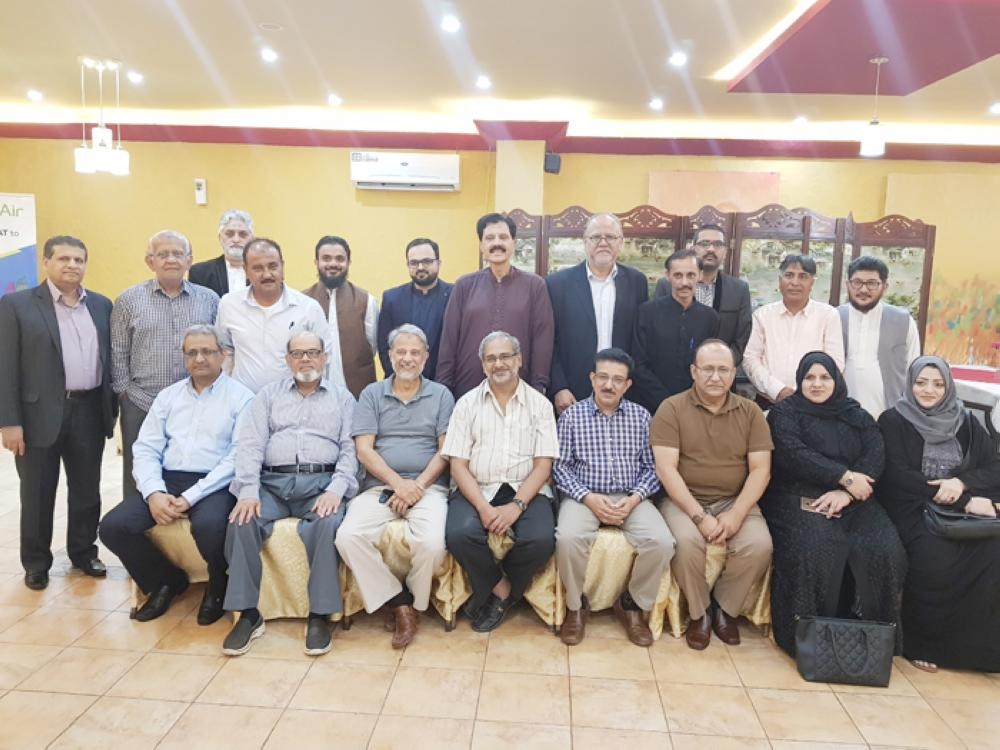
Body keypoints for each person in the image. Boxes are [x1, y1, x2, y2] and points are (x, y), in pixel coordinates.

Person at [99, 325, 253, 624]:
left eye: (207, 351)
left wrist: (190, 497)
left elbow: (237, 458)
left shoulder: (241, 398)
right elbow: (145, 449)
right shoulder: (168, 397)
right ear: (184, 358)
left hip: (215, 484)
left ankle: (218, 588)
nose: (199, 359)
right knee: (113, 527)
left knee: (210, 526)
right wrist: (154, 492)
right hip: (168, 478)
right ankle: (165, 581)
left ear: (223, 355)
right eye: (192, 352)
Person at [222, 330, 358, 656]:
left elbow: (350, 451)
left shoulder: (343, 399)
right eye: (298, 353)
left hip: (320, 485)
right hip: (271, 485)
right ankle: (249, 615)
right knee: (241, 521)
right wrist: (248, 491)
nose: (306, 359)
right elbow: (250, 445)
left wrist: (336, 491)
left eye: (313, 352)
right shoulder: (267, 396)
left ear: (325, 358)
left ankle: (319, 615)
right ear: (287, 360)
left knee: (325, 526)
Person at [762, 351, 906, 657]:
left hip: (855, 498)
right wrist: (842, 475)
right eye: (809, 378)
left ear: (836, 380)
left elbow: (875, 451)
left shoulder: (856, 413)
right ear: (799, 381)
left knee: (885, 548)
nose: (817, 384)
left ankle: (873, 636)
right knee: (814, 544)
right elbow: (793, 453)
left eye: (824, 377)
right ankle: (807, 637)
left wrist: (848, 491)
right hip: (796, 492)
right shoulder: (785, 413)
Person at [0, 235, 117, 590]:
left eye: (79, 259)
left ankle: (83, 552)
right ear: (46, 263)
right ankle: (36, 562)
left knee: (87, 490)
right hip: (37, 417)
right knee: (37, 492)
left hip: (89, 410)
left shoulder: (101, 305)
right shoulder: (16, 305)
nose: (72, 265)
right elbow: (5, 367)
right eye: (63, 258)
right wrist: (9, 421)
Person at [878, 356, 1000, 673]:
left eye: (937, 383)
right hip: (911, 507)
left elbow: (994, 467)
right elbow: (897, 475)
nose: (929, 390)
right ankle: (923, 644)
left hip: (958, 509)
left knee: (992, 549)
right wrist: (964, 502)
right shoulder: (893, 419)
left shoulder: (966, 422)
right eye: (921, 382)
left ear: (948, 387)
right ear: (910, 383)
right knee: (936, 555)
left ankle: (979, 650)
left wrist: (961, 484)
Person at [336, 324, 454, 648]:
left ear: (425, 357)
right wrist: (399, 485)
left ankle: (414, 604)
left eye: (415, 352)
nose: (407, 358)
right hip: (379, 487)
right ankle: (398, 602)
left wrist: (415, 486)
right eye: (400, 352)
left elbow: (446, 451)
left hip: (428, 487)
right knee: (347, 537)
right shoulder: (372, 394)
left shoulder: (441, 395)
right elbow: (364, 450)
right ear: (389, 356)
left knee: (432, 543)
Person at [651, 340, 773, 650]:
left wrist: (736, 514)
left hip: (734, 499)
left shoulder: (751, 412)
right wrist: (699, 516)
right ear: (693, 371)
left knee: (759, 546)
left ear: (734, 373)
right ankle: (699, 613)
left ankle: (725, 609)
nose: (715, 377)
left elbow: (761, 470)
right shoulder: (671, 408)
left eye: (723, 370)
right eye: (707, 369)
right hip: (684, 499)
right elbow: (667, 470)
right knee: (687, 542)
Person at [553, 348, 673, 647]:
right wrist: (588, 498)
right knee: (568, 537)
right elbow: (560, 467)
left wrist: (634, 499)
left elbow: (652, 467)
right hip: (584, 496)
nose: (609, 385)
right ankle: (575, 606)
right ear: (592, 379)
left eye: (618, 380)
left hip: (631, 497)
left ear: (628, 385)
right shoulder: (572, 417)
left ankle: (631, 604)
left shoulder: (641, 416)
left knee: (661, 542)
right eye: (603, 377)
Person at [442, 331, 559, 632]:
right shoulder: (466, 405)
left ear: (519, 360)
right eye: (491, 358)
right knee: (459, 534)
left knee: (541, 539)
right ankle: (502, 590)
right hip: (476, 487)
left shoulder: (540, 405)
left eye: (505, 356)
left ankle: (488, 594)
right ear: (483, 365)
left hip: (525, 489)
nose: (499, 364)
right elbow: (457, 465)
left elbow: (543, 465)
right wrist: (482, 507)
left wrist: (518, 505)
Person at [111, 229, 219, 498]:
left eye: (178, 254)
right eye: (163, 254)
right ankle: (137, 533)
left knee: (190, 467)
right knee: (139, 471)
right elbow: (117, 349)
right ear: (150, 261)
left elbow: (219, 347)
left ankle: (181, 531)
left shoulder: (209, 300)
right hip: (142, 401)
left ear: (189, 260)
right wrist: (124, 393)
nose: (171, 259)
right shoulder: (128, 300)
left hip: (195, 401)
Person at [437, 213, 554, 398]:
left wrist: (539, 385)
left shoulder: (534, 285)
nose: (496, 243)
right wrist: (443, 385)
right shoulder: (464, 285)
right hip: (469, 389)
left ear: (513, 243)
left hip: (519, 391)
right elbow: (449, 338)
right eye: (489, 238)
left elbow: (542, 338)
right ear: (482, 246)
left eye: (503, 237)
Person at [546, 213, 648, 415]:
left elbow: (640, 340)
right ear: (584, 242)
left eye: (610, 237)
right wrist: (559, 387)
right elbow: (550, 341)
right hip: (573, 391)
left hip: (622, 390)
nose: (603, 243)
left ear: (621, 242)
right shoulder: (558, 284)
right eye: (595, 237)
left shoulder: (637, 282)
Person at [215, 237, 329, 393]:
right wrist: (226, 393)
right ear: (246, 271)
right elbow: (225, 351)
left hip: (295, 403)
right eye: (258, 268)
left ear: (282, 266)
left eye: (273, 266)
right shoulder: (229, 305)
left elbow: (324, 358)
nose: (267, 274)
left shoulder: (308, 308)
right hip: (244, 402)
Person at [743, 254, 844, 405]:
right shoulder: (762, 316)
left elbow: (835, 362)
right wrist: (778, 390)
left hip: (815, 402)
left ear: (812, 282)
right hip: (769, 400)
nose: (795, 282)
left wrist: (806, 391)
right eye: (789, 275)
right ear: (780, 280)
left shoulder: (828, 315)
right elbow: (751, 359)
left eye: (803, 276)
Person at [632, 249, 720, 414]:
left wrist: (691, 400)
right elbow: (638, 363)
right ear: (668, 276)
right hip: (651, 405)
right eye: (678, 275)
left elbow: (709, 365)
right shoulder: (647, 312)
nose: (684, 282)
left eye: (691, 275)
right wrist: (666, 401)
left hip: (695, 406)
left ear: (700, 275)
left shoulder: (710, 317)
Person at [654, 224, 752, 364]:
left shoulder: (739, 289)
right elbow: (658, 333)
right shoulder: (667, 285)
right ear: (693, 248)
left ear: (725, 250)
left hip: (720, 376)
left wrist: (723, 366)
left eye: (718, 244)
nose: (711, 249)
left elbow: (742, 338)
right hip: (674, 374)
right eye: (704, 243)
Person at [838, 256, 921, 418]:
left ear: (885, 286)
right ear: (847, 285)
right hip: (840, 416)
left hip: (890, 415)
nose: (863, 289)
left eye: (872, 283)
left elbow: (914, 368)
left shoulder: (903, 320)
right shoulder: (834, 316)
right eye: (857, 282)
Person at [302, 235, 378, 398]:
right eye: (326, 258)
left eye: (340, 259)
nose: (333, 264)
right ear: (316, 262)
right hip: (313, 392)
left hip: (357, 393)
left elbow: (371, 347)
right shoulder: (303, 301)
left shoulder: (366, 301)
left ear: (348, 262)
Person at [377, 238, 453, 381]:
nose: (420, 267)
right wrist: (401, 378)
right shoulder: (392, 299)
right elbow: (384, 347)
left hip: (444, 384)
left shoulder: (454, 296)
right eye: (414, 263)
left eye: (427, 261)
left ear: (439, 263)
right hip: (402, 385)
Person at [188, 209, 254, 297]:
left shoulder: (262, 271)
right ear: (220, 238)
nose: (236, 240)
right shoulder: (200, 272)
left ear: (252, 239)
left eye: (243, 234)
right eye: (229, 234)